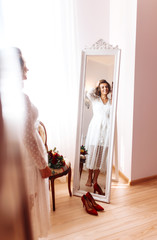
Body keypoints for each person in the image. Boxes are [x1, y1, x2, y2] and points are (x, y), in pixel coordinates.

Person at [16, 48, 52, 239]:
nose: (27, 68)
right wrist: (42, 165)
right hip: (28, 162)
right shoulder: (20, 99)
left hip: (19, 158)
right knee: (28, 207)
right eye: (24, 63)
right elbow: (26, 137)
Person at [84, 79, 112, 193]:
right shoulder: (95, 99)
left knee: (100, 156)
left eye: (106, 87)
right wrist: (97, 83)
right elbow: (88, 93)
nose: (105, 89)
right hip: (95, 130)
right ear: (99, 89)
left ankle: (95, 180)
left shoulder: (112, 101)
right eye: (102, 87)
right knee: (91, 154)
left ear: (109, 89)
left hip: (106, 131)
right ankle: (89, 177)